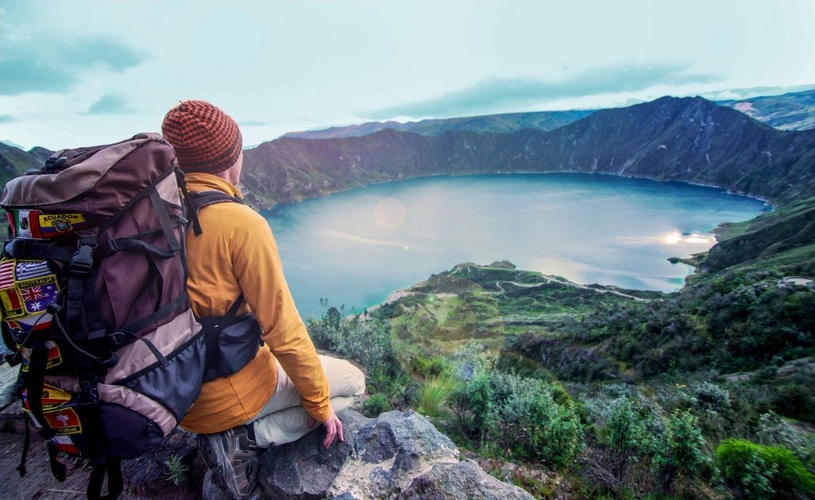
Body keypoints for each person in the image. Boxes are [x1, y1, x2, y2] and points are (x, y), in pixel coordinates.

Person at [161, 100, 366, 499]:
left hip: (170, 395)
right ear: (230, 159)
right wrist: (319, 405)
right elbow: (283, 331)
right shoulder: (240, 223)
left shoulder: (154, 216)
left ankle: (228, 431)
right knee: (353, 383)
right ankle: (249, 437)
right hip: (229, 398)